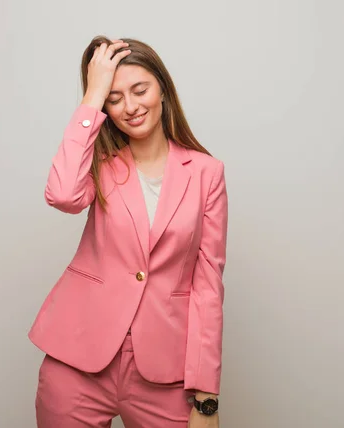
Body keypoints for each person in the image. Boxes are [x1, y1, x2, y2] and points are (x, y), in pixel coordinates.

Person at [29, 35, 228, 428]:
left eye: (140, 90)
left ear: (163, 90)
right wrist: (92, 97)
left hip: (163, 369)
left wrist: (206, 400)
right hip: (77, 362)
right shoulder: (99, 164)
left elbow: (208, 287)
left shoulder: (207, 173)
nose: (131, 107)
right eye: (115, 98)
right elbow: (63, 195)